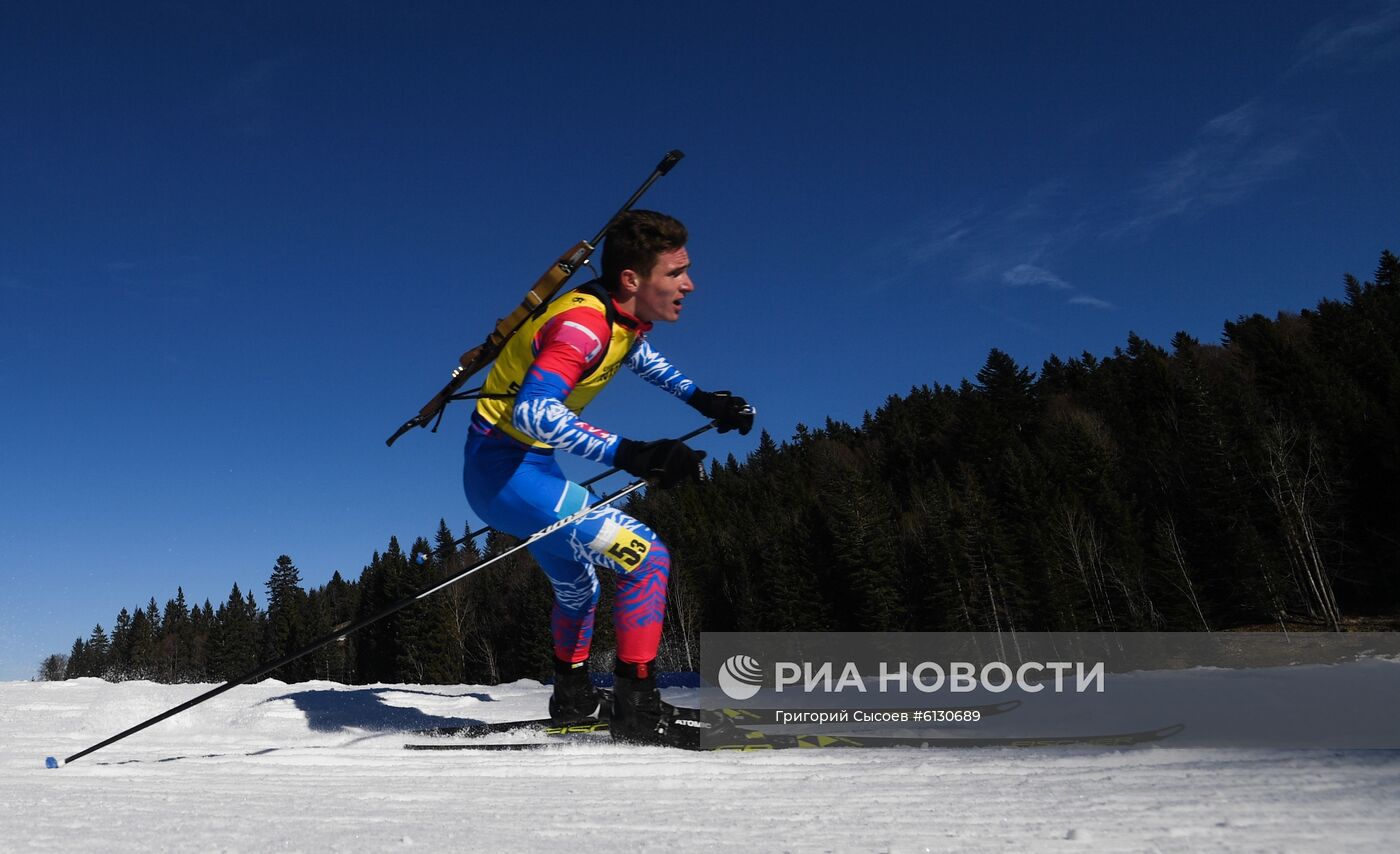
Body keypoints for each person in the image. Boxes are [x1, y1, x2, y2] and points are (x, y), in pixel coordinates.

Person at [461, 210, 753, 745]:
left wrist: (702, 398)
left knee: (578, 588)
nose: (690, 283)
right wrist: (632, 452)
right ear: (631, 280)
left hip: (527, 468)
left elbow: (639, 359)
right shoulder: (582, 324)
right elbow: (533, 412)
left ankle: (572, 699)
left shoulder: (617, 318)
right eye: (676, 272)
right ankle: (638, 707)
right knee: (647, 556)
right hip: (507, 475)